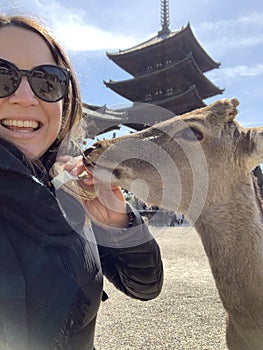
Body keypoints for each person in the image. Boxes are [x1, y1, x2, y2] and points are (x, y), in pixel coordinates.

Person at [0, 14, 163, 350]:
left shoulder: (66, 189)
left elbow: (145, 287)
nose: (26, 97)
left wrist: (118, 223)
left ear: (65, 98)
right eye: (3, 77)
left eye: (47, 82)